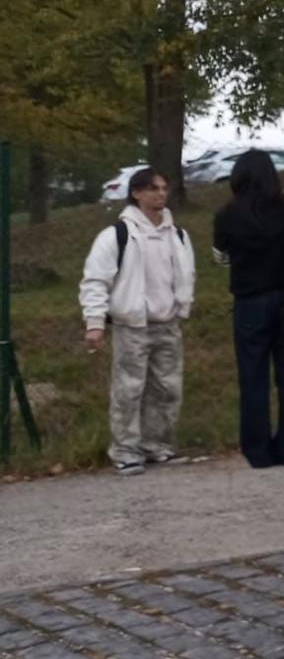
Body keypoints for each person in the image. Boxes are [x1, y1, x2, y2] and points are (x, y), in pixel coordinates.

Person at [78, 167, 196, 475]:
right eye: (153, 188)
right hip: (132, 325)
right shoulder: (116, 235)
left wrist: (182, 305)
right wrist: (94, 322)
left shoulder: (178, 235)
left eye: (164, 188)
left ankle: (157, 445)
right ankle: (126, 451)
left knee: (168, 389)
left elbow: (187, 274)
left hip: (167, 324)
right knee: (128, 390)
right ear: (136, 193)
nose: (160, 194)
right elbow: (95, 280)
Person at [213, 150, 284, 468]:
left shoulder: (227, 215)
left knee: (253, 378)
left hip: (250, 301)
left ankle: (258, 450)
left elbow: (220, 257)